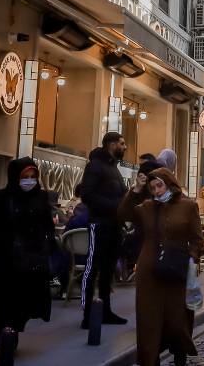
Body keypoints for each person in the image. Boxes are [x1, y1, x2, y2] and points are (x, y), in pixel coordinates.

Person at [119, 167, 204, 366]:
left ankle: (179, 351)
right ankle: (151, 357)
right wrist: (136, 190)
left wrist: (192, 260)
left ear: (169, 183)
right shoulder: (147, 207)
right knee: (150, 316)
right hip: (149, 270)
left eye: (160, 185)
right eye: (153, 187)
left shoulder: (189, 207)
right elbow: (123, 213)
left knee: (177, 317)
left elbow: (197, 240)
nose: (157, 191)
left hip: (178, 270)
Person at [0, 158, 57, 350]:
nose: (29, 181)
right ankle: (7, 341)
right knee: (6, 302)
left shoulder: (41, 198)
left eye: (33, 177)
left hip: (34, 258)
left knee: (28, 300)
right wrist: (4, 242)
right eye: (25, 177)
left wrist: (46, 243)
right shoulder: (0, 198)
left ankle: (13, 331)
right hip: (7, 260)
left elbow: (48, 225)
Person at [76, 131, 128, 328]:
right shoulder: (95, 166)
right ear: (113, 145)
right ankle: (87, 314)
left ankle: (105, 311)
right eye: (122, 143)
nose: (125, 147)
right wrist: (115, 206)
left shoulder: (114, 168)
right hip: (99, 224)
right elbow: (87, 195)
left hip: (114, 225)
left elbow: (123, 194)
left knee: (107, 271)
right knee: (92, 269)